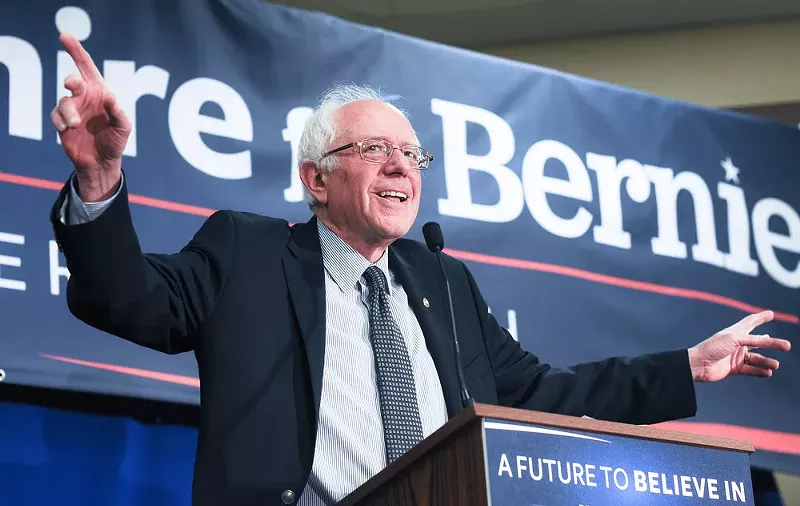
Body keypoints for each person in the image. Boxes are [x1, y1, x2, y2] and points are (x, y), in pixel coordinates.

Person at [49, 33, 791, 506]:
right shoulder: (248, 254)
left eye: (413, 155)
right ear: (315, 180)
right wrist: (100, 178)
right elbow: (127, 299)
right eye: (374, 151)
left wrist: (686, 366)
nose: (402, 165)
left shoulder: (442, 282)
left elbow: (541, 394)